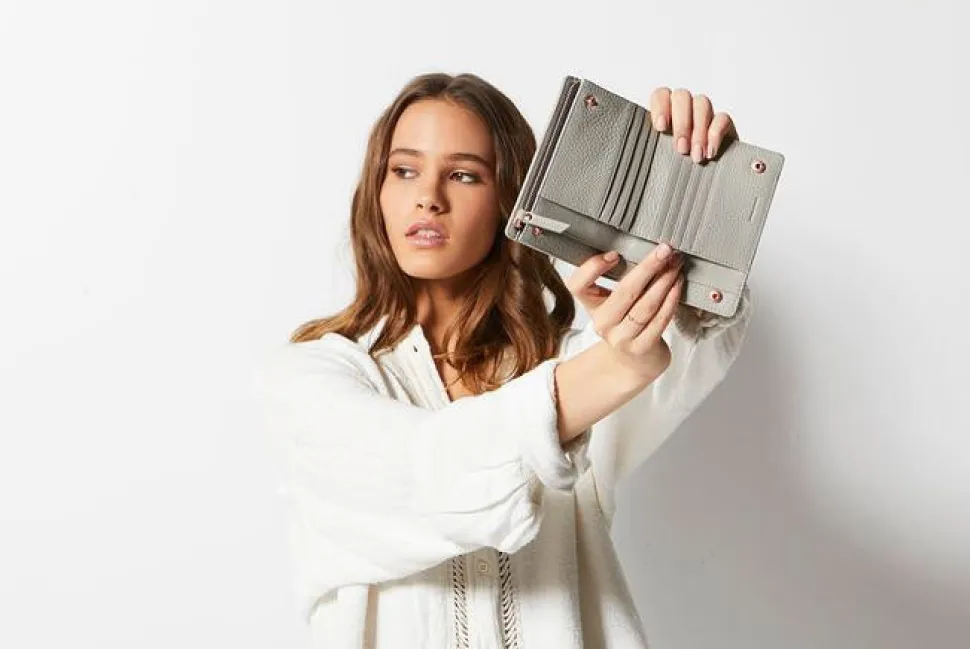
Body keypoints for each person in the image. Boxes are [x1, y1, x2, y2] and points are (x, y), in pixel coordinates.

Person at [252, 72, 753, 649]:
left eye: (464, 175)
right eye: (404, 170)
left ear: (510, 202)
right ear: (377, 193)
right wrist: (617, 364)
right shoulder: (308, 380)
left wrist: (701, 180)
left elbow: (694, 343)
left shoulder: (568, 360)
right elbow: (429, 474)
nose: (428, 197)